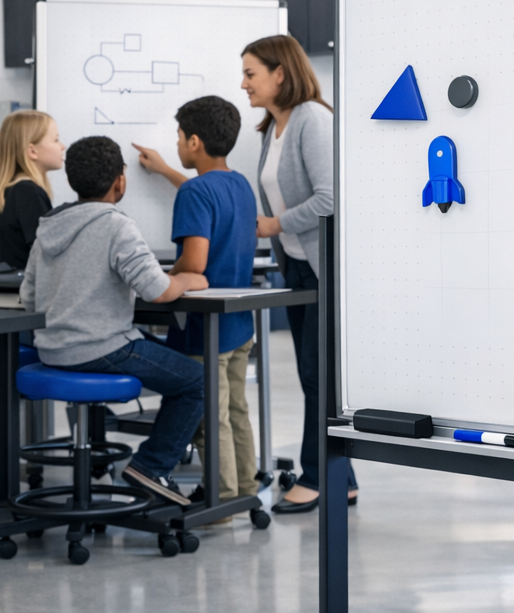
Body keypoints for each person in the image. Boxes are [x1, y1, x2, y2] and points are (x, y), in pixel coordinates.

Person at [20, 135, 209, 507]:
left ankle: (134, 466)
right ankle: (151, 466)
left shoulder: (49, 227)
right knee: (196, 381)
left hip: (54, 351)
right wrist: (189, 279)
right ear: (119, 182)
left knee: (163, 358)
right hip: (101, 349)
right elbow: (157, 290)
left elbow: (28, 297)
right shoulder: (117, 225)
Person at [241, 34, 357, 514]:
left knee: (315, 375)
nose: (243, 83)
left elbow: (330, 199)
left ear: (279, 74)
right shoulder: (274, 126)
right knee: (313, 377)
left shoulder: (313, 119)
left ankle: (317, 477)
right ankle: (342, 478)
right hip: (297, 267)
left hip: (322, 269)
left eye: (251, 73)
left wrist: (275, 224)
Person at [133, 96, 258, 514]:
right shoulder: (239, 184)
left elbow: (196, 263)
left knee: (209, 418)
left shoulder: (196, 193)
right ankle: (242, 490)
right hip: (239, 323)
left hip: (202, 328)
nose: (178, 145)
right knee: (237, 410)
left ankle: (218, 501)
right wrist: (166, 170)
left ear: (194, 141)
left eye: (179, 139)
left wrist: (168, 276)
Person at [0, 110, 63, 271]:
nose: (62, 146)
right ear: (32, 151)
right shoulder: (29, 193)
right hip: (20, 293)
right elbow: (48, 258)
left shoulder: (13, 189)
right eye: (56, 140)